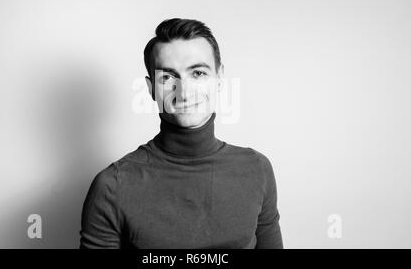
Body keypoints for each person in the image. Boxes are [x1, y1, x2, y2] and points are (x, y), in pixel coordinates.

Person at [79, 18, 283, 248]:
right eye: (167, 77)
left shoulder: (257, 169)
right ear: (150, 89)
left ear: (219, 78)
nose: (184, 92)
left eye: (197, 73)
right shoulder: (111, 186)